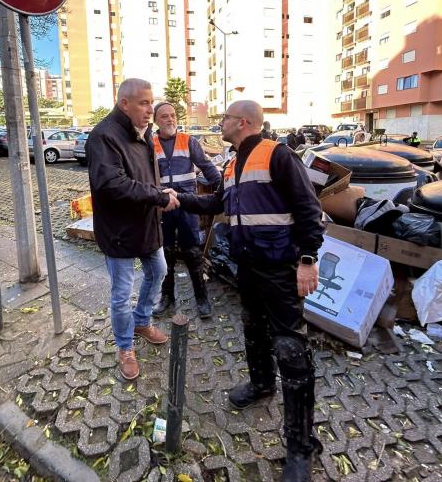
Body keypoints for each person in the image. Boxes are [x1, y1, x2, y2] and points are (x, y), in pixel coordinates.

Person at [172, 100, 324, 482]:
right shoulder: (232, 164)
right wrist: (178, 199)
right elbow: (216, 203)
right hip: (248, 266)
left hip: (280, 268)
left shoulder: (279, 155)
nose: (219, 122)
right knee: (253, 327)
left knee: (290, 348)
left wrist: (308, 259)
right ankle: (261, 384)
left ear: (242, 122)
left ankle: (301, 445)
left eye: (224, 117)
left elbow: (309, 209)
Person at [85, 78, 180, 381]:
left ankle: (141, 320)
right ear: (124, 103)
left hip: (147, 224)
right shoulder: (103, 136)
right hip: (119, 231)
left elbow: (146, 177)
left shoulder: (143, 132)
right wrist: (158, 197)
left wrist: (161, 193)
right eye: (144, 103)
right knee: (122, 293)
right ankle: (125, 347)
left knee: (159, 271)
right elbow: (112, 184)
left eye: (152, 102)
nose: (151, 110)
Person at [151, 102, 221, 318]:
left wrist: (223, 188)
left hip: (187, 204)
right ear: (156, 121)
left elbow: (207, 166)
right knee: (166, 252)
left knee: (192, 251)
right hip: (163, 205)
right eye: (164, 116)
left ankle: (201, 298)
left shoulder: (188, 140)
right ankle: (167, 297)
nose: (170, 119)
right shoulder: (150, 144)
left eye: (172, 115)